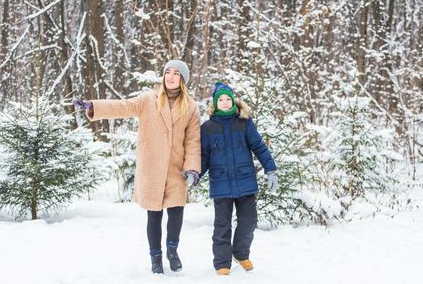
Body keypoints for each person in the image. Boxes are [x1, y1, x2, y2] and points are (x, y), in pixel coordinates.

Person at [72, 60, 201, 275]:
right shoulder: (148, 99)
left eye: (176, 74)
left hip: (176, 168)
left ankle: (172, 250)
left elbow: (193, 140)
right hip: (152, 166)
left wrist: (192, 168)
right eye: (167, 72)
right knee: (154, 215)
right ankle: (156, 257)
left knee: (177, 212)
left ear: (183, 80)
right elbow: (124, 106)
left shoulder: (190, 107)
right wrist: (95, 106)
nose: (170, 77)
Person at [199, 82, 278, 275]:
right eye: (221, 100)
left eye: (228, 99)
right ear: (215, 104)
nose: (225, 103)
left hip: (245, 181)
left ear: (234, 101)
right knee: (222, 225)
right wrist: (195, 174)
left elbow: (259, 146)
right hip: (221, 183)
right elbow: (204, 155)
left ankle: (241, 254)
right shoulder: (208, 127)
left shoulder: (244, 123)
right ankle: (222, 262)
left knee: (249, 221)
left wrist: (271, 169)